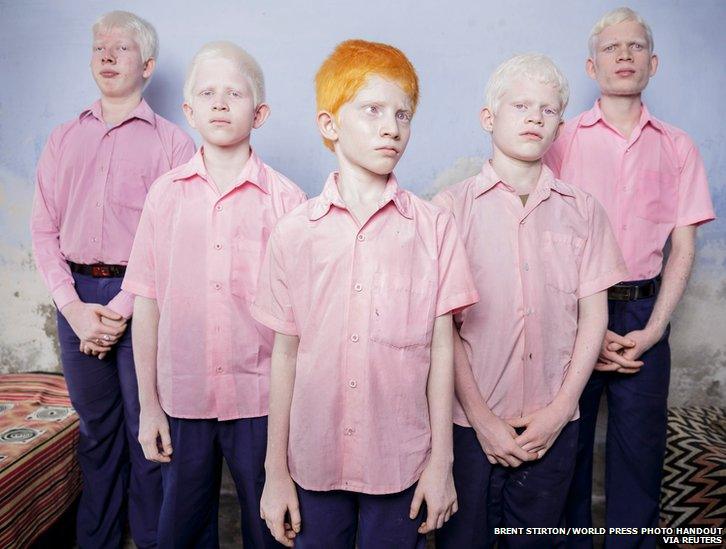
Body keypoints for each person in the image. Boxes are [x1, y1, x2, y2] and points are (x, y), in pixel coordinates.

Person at [251, 39, 479, 548]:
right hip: (313, 458)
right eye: (372, 110)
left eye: (403, 114)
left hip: (400, 457)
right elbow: (284, 354)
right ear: (329, 125)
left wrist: (441, 462)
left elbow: (443, 348)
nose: (391, 127)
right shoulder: (294, 232)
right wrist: (275, 473)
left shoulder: (434, 228)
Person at [434, 54, 628, 548]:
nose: (533, 118)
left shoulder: (583, 211)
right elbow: (443, 330)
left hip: (554, 422)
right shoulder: (448, 211)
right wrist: (481, 418)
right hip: (471, 424)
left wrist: (562, 408)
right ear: (488, 117)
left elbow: (593, 319)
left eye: (546, 110)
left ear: (560, 126)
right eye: (520, 105)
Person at [123, 41, 306, 548]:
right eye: (208, 93)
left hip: (263, 400)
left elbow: (300, 322)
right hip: (184, 397)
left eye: (235, 93)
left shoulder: (288, 201)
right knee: (179, 529)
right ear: (189, 111)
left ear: (260, 112)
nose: (221, 103)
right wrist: (150, 407)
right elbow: (146, 302)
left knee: (271, 528)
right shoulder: (165, 195)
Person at [545, 8, 716, 548]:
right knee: (564, 452)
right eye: (612, 48)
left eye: (636, 47)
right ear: (591, 66)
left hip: (646, 313)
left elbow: (682, 247)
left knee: (639, 452)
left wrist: (655, 329)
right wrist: (583, 330)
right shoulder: (562, 140)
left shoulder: (678, 147)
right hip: (575, 311)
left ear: (653, 63)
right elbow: (541, 239)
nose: (624, 55)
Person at [30, 10, 195, 548]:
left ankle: (150, 539)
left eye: (121, 49)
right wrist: (74, 310)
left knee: (147, 431)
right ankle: (95, 541)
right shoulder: (61, 139)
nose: (106, 55)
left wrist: (123, 308)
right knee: (96, 434)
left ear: (146, 65)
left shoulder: (174, 145)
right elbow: (43, 230)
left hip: (145, 298)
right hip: (75, 297)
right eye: (99, 47)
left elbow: (174, 239)